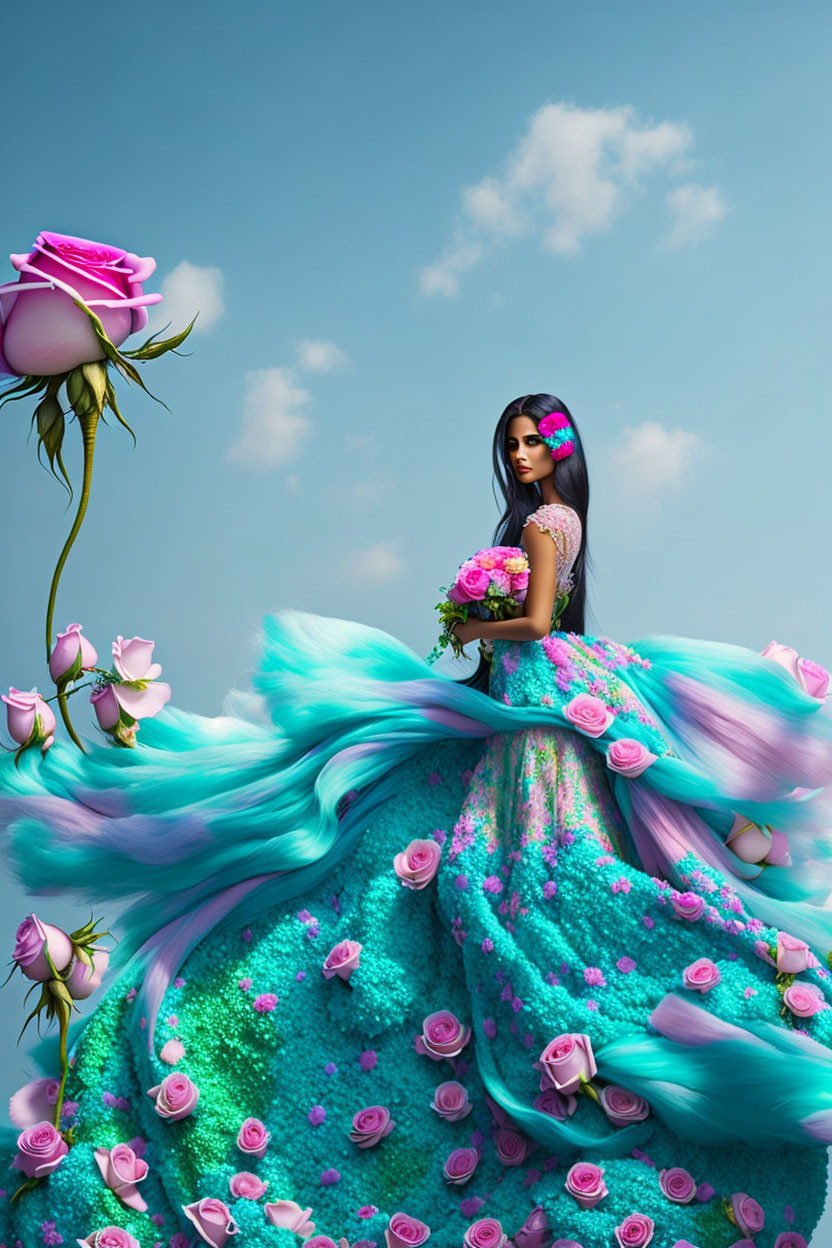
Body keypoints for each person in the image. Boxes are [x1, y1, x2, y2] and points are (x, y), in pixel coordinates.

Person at [2, 392, 832, 1248]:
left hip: (538, 716)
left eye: (531, 440)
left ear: (560, 449)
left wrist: (479, 616)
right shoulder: (537, 522)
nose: (518, 454)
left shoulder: (549, 523)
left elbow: (541, 622)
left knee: (519, 871)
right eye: (508, 442)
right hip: (520, 703)